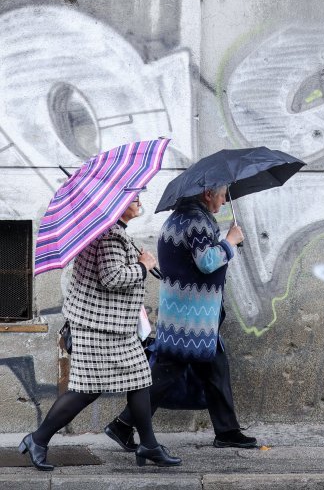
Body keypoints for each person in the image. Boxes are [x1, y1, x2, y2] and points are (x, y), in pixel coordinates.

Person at [19, 195, 181, 470]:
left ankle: (149, 444)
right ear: (119, 204)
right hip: (98, 329)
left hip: (113, 329)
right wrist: (143, 266)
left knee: (140, 379)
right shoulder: (109, 237)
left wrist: (141, 262)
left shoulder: (113, 232)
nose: (138, 200)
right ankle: (38, 439)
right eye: (133, 197)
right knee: (86, 391)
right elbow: (112, 278)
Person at [105, 185, 258, 450]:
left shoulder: (178, 218)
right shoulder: (195, 222)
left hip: (189, 314)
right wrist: (230, 242)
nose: (223, 203)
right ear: (208, 193)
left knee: (215, 366)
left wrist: (225, 243)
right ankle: (122, 424)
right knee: (166, 372)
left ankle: (227, 430)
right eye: (221, 196)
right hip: (191, 318)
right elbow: (206, 262)